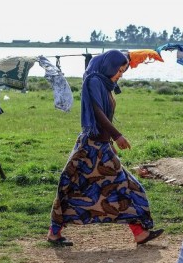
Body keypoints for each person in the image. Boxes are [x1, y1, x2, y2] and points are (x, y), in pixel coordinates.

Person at [47, 50, 163, 246]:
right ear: (109, 66)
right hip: (90, 148)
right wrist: (117, 136)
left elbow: (104, 116)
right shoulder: (93, 81)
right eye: (119, 70)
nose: (121, 74)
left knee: (121, 187)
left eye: (123, 71)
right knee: (75, 187)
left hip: (101, 146)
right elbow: (98, 113)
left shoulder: (105, 84)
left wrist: (110, 142)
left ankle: (139, 232)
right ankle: (54, 232)